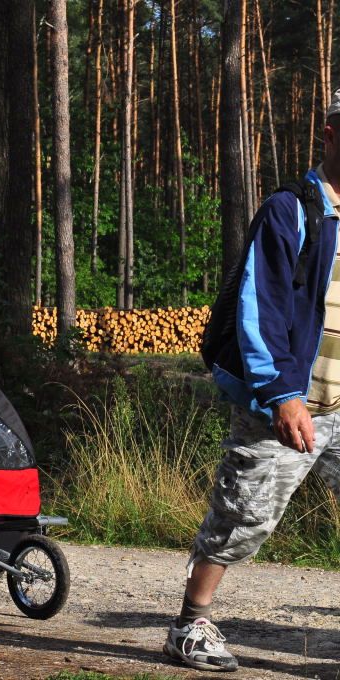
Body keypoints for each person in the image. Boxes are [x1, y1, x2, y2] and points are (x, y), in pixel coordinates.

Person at [165, 92, 340, 672]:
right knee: (244, 513)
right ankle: (190, 624)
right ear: (330, 134)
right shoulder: (292, 210)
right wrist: (282, 395)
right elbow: (257, 307)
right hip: (287, 401)